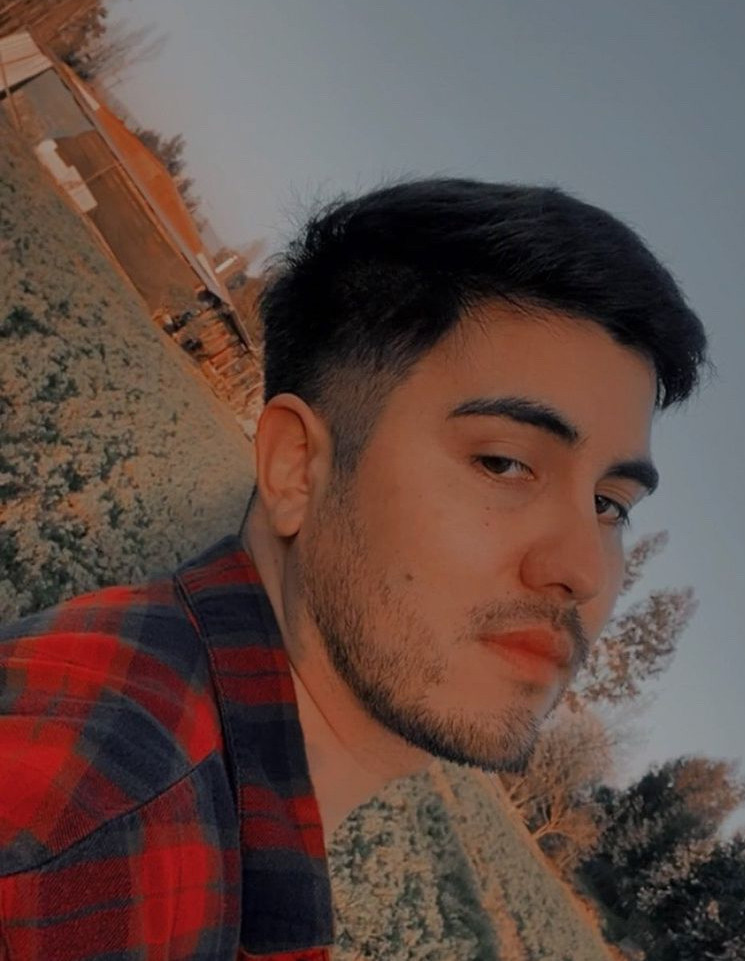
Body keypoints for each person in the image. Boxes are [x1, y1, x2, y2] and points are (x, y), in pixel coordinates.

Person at [0, 178, 708, 960]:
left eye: (610, 504)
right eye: (504, 462)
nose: (583, 569)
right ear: (296, 468)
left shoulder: (212, 821)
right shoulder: (82, 842)